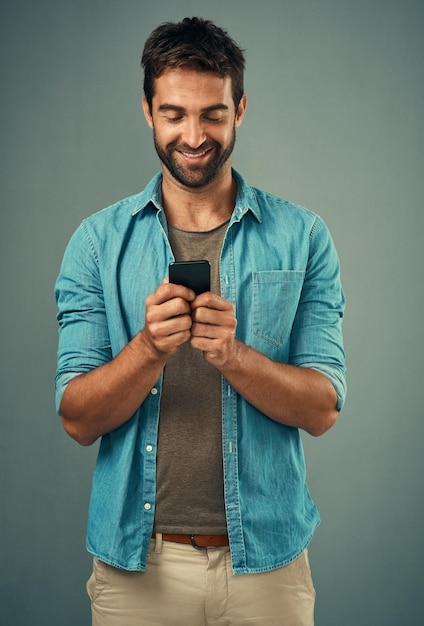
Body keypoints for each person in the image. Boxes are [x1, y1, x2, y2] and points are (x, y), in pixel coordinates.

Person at [55, 16, 346, 626]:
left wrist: (233, 355)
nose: (193, 135)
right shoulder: (95, 244)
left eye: (212, 113)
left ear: (240, 108)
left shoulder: (303, 238)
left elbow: (322, 409)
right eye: (174, 114)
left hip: (268, 567)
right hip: (137, 572)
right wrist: (147, 351)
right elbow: (77, 419)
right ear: (147, 111)